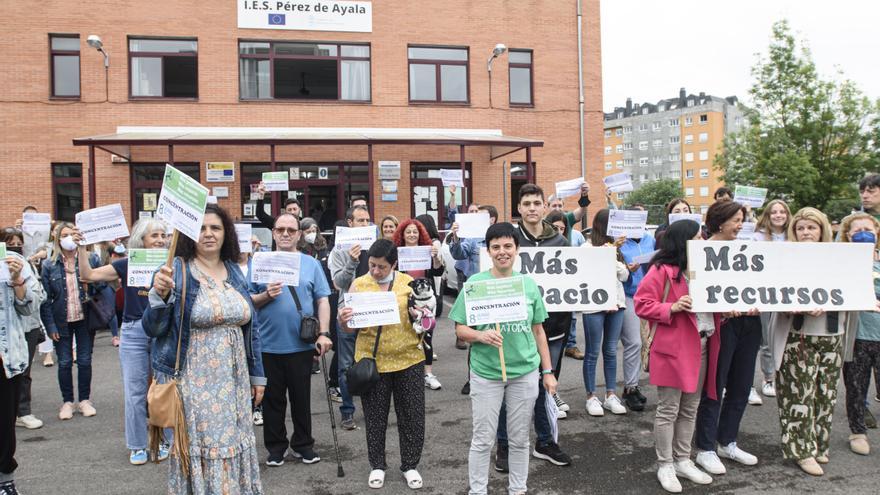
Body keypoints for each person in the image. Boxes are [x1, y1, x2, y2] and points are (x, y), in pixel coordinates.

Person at [143, 204, 266, 494]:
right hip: (195, 380)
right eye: (202, 228)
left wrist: (257, 375)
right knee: (206, 445)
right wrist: (159, 295)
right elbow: (153, 329)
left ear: (226, 234)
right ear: (189, 233)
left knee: (234, 442)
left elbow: (251, 328)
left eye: (216, 228)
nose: (209, 234)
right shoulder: (175, 270)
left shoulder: (234, 270)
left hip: (234, 380)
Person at [450, 222, 556, 495]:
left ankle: (518, 489)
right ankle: (478, 491)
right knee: (483, 439)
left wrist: (548, 371)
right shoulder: (475, 285)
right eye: (496, 247)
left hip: (525, 373)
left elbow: (538, 330)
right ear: (488, 251)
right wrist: (481, 336)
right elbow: (460, 329)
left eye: (508, 246)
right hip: (487, 373)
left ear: (517, 249)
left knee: (520, 439)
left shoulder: (528, 285)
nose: (502, 252)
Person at [767, 207, 858, 476]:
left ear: (823, 231)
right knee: (799, 394)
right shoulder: (785, 259)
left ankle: (819, 443)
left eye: (812, 228)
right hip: (799, 335)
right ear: (794, 232)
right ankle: (801, 450)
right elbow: (773, 295)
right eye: (801, 228)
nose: (807, 232)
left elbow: (851, 290)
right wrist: (794, 307)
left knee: (825, 394)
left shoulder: (840, 259)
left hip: (833, 334)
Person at [75, 218, 172, 465]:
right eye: (155, 236)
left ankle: (165, 439)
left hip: (164, 329)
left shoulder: (173, 265)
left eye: (163, 235)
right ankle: (138, 445)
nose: (160, 239)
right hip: (134, 331)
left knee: (165, 389)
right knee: (135, 392)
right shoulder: (127, 264)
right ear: (142, 240)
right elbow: (87, 275)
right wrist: (82, 248)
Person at [635, 219, 722, 493]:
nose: (703, 241)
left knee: (690, 407)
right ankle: (665, 464)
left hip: (703, 345)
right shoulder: (662, 270)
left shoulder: (706, 268)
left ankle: (683, 459)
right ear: (682, 241)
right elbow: (641, 303)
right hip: (674, 348)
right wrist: (671, 307)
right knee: (669, 409)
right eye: (697, 237)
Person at [338, 239, 426, 490]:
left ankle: (410, 465)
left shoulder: (409, 284)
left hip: (409, 358)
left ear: (394, 265)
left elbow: (426, 323)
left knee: (412, 415)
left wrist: (420, 315)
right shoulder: (358, 284)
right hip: (372, 361)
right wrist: (344, 320)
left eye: (382, 267)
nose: (375, 272)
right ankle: (377, 464)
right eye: (372, 265)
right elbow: (346, 328)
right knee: (375, 417)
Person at [497, 183, 572, 468]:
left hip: (554, 326)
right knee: (508, 387)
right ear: (519, 208)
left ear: (545, 207)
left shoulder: (561, 243)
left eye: (536, 203)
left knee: (547, 384)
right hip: (516, 329)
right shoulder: (509, 240)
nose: (531, 208)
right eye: (526, 203)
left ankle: (545, 441)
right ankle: (504, 445)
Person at [249, 212, 332, 467]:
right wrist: (266, 295)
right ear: (273, 233)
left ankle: (303, 444)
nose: (285, 234)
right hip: (267, 344)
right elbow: (246, 301)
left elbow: (322, 299)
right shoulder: (258, 262)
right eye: (280, 229)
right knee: (272, 400)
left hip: (301, 344)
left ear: (298, 234)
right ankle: (275, 447)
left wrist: (324, 333)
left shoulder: (311, 264)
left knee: (301, 398)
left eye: (291, 230)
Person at [694, 200, 761, 476]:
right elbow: (697, 289)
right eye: (735, 220)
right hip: (723, 325)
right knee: (714, 385)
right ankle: (706, 448)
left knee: (742, 385)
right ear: (719, 221)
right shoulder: (701, 251)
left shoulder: (747, 250)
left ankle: (728, 441)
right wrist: (720, 306)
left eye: (742, 219)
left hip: (750, 322)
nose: (740, 225)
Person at [40, 222, 104, 420]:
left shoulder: (90, 258)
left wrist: (91, 282)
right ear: (58, 239)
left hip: (85, 318)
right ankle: (67, 402)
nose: (69, 238)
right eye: (64, 235)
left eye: (72, 234)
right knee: (65, 362)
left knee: (84, 361)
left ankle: (84, 400)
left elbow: (102, 285)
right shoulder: (49, 265)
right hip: (61, 321)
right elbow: (45, 298)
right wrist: (50, 325)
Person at [581, 209, 631, 417]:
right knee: (592, 351)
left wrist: (613, 255)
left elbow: (625, 275)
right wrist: (606, 253)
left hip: (617, 303)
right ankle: (591, 396)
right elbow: (586, 271)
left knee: (611, 350)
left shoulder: (616, 248)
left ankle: (610, 394)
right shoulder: (586, 246)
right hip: (594, 305)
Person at [0, 240, 39, 495]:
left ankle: (5, 480)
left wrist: (17, 281)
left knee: (4, 425)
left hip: (7, 358)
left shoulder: (13, 260)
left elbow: (32, 307)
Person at [840, 213, 880, 456]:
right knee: (856, 387)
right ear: (848, 235)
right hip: (858, 335)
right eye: (857, 231)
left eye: (868, 228)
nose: (863, 233)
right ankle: (858, 432)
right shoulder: (843, 264)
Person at [329, 205, 373, 431]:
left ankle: (372, 408)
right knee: (346, 365)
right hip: (348, 313)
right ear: (350, 223)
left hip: (372, 313)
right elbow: (339, 283)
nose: (365, 224)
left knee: (370, 362)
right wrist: (352, 261)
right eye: (360, 220)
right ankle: (347, 411)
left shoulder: (374, 246)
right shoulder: (339, 250)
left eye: (367, 220)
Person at [1, 230, 47, 431]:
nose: (15, 246)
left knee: (21, 373)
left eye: (18, 243)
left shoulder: (20, 264)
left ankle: (23, 411)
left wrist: (17, 279)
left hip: (20, 332)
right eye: (10, 243)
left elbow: (33, 301)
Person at [392, 218, 444, 390]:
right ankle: (406, 375)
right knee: (405, 335)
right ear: (402, 234)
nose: (412, 235)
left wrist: (436, 258)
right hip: (404, 299)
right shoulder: (397, 254)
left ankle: (428, 373)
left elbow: (438, 271)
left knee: (427, 336)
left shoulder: (427, 251)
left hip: (425, 301)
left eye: (415, 231)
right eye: (408, 232)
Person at [749, 199, 792, 404]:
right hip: (763, 292)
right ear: (767, 215)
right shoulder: (756, 237)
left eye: (782, 211)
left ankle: (769, 378)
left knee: (776, 340)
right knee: (763, 339)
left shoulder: (793, 236)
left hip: (786, 293)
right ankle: (757, 382)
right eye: (774, 212)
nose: (778, 215)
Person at [299, 217, 341, 401]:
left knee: (336, 342)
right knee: (308, 339)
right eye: (307, 230)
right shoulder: (298, 251)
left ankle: (334, 383)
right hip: (306, 303)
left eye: (314, 229)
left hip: (326, 298)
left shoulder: (324, 249)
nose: (312, 233)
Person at [619, 216, 657, 411]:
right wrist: (627, 268)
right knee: (633, 342)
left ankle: (633, 385)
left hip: (650, 295)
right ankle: (630, 387)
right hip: (629, 295)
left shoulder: (650, 239)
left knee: (645, 343)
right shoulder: (619, 242)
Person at [450, 205, 499, 350]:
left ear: (492, 219)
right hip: (477, 291)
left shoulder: (500, 239)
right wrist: (456, 237)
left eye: (481, 216)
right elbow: (459, 254)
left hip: (496, 289)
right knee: (475, 332)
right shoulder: (472, 239)